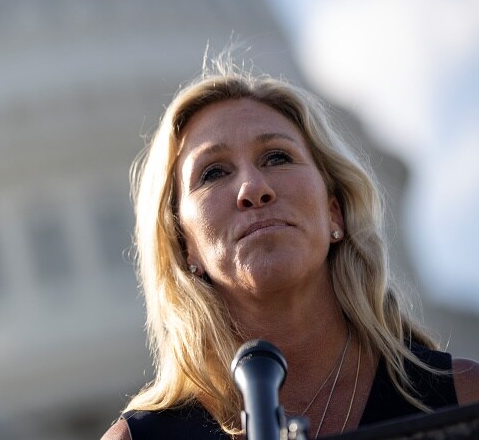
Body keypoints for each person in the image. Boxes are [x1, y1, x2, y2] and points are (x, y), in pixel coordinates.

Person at [101, 52, 479, 439]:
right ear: (186, 248)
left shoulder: (464, 401)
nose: (253, 189)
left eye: (277, 157)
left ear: (335, 212)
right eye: (213, 172)